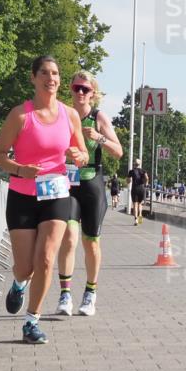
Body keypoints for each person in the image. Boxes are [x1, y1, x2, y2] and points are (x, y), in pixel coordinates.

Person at [0, 55, 88, 344]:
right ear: (33, 78)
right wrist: (21, 169)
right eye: (44, 72)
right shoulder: (20, 115)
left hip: (56, 194)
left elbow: (82, 154)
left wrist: (78, 156)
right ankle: (20, 283)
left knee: (46, 259)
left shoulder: (70, 115)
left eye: (56, 73)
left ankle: (31, 321)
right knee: (26, 267)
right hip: (22, 195)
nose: (51, 78)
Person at [55, 71, 123, 317]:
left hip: (92, 182)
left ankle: (90, 293)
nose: (80, 93)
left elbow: (119, 152)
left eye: (85, 89)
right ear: (71, 90)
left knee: (90, 242)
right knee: (69, 238)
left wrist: (100, 137)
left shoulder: (98, 117)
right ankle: (65, 294)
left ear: (93, 93)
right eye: (77, 88)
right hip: (69, 183)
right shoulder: (63, 114)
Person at [128, 159, 147, 226]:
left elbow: (128, 181)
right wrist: (146, 183)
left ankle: (136, 219)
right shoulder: (143, 171)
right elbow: (147, 178)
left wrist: (128, 180)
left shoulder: (131, 171)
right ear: (140, 164)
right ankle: (140, 216)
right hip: (141, 188)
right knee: (140, 204)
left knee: (135, 205)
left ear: (134, 164)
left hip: (135, 189)